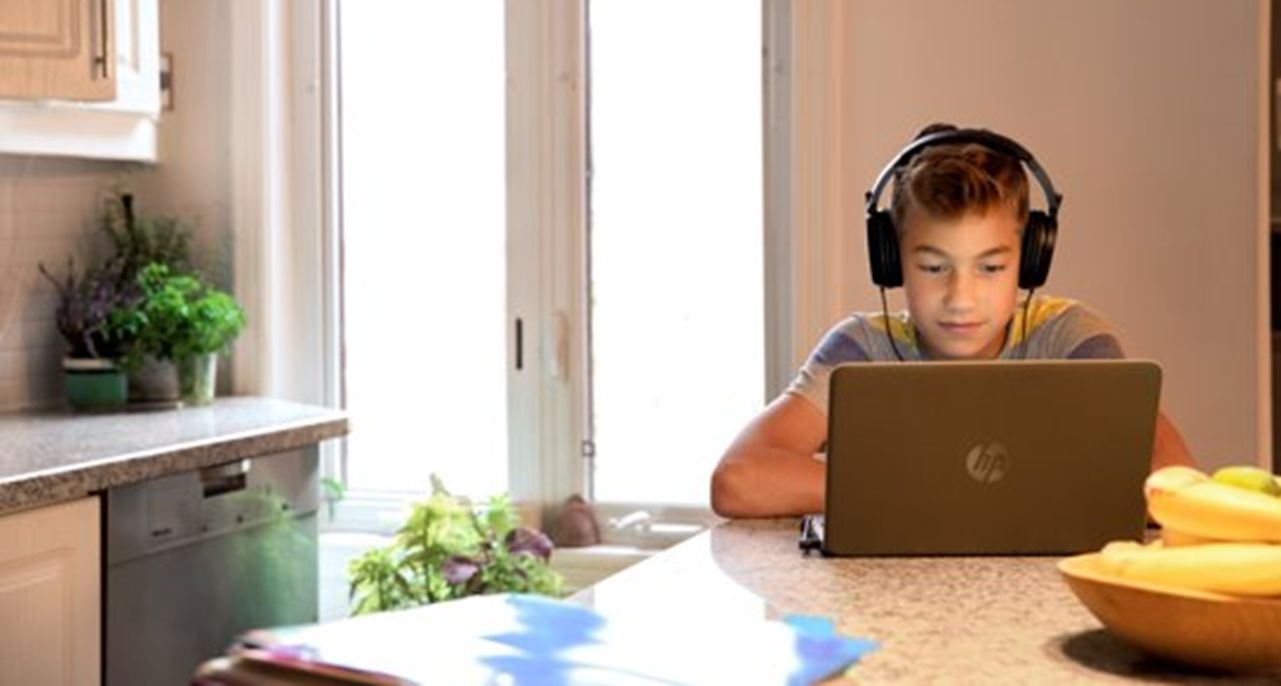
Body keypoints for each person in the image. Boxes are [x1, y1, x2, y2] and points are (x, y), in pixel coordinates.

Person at [710, 123, 1198, 519]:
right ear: (892, 260)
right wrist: (939, 493)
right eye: (933, 267)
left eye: (990, 267)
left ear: (1029, 261)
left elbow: (1177, 480)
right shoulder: (861, 351)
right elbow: (739, 478)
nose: (961, 298)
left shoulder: (1071, 341)